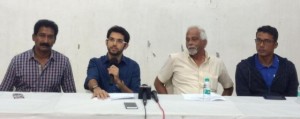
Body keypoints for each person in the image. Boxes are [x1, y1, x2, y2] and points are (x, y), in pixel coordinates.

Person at [0, 19, 76, 92]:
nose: (45, 41)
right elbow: (3, 92)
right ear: (34, 37)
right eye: (42, 35)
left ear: (54, 40)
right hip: (23, 105)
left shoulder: (63, 62)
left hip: (52, 105)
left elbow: (71, 95)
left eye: (50, 37)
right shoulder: (17, 61)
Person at [154, 26, 234, 95]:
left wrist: (221, 106)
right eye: (187, 40)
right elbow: (158, 83)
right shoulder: (175, 59)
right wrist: (169, 103)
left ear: (204, 42)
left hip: (208, 110)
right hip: (183, 110)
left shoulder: (217, 63)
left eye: (194, 39)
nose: (190, 43)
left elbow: (228, 87)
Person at [235, 25, 299, 96]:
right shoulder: (244, 67)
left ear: (275, 45)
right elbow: (243, 98)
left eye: (267, 41)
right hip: (253, 106)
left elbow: (292, 97)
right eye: (258, 40)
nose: (261, 45)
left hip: (281, 106)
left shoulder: (288, 67)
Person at [84, 25, 140, 99]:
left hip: (124, 107)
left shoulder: (133, 66)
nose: (114, 44)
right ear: (106, 42)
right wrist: (96, 88)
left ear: (125, 46)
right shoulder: (95, 62)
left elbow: (136, 95)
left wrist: (119, 83)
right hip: (101, 103)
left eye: (119, 41)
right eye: (111, 39)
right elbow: (91, 79)